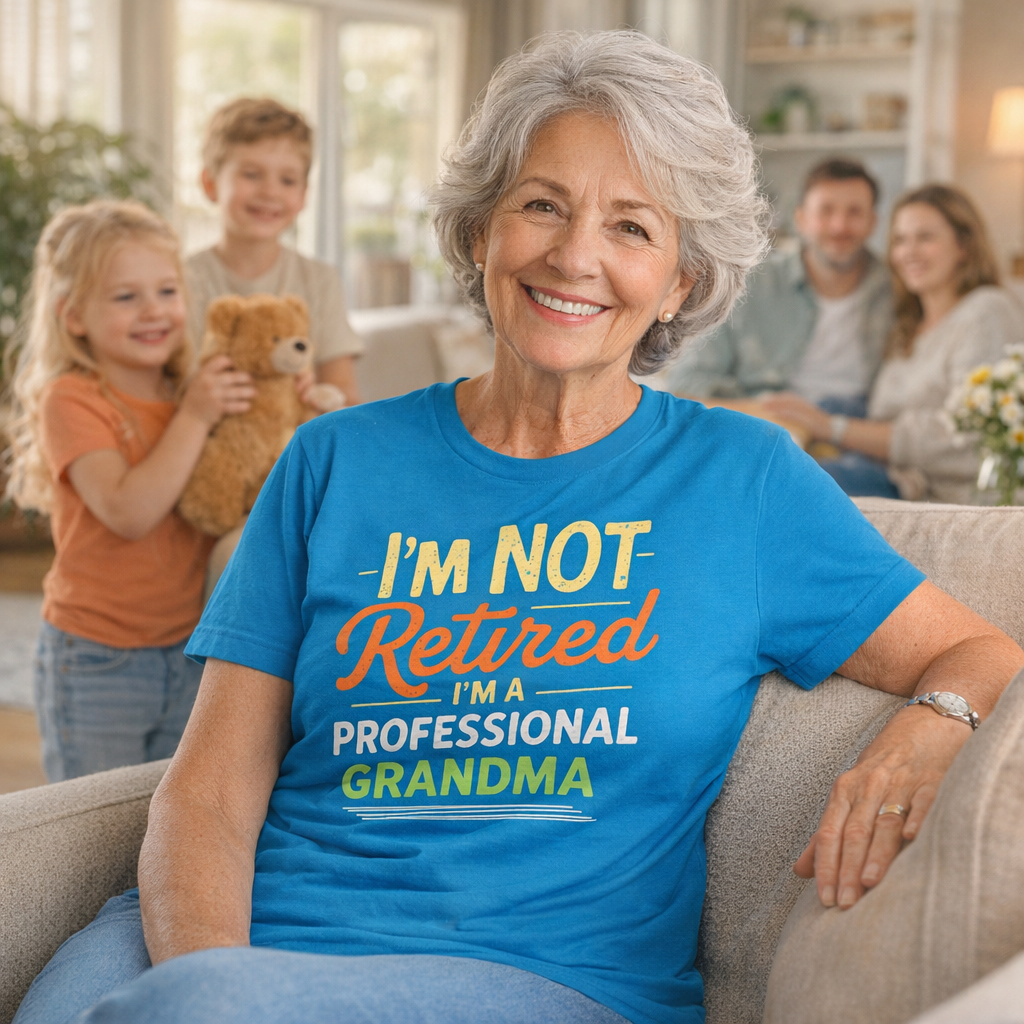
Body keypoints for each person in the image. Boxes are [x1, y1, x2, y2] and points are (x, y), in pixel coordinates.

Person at [14, 33, 1024, 1024]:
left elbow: (975, 646)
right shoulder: (334, 461)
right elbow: (211, 792)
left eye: (632, 227)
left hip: (533, 978)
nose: (574, 254)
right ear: (479, 231)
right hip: (213, 947)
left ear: (680, 279)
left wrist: (932, 726)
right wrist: (207, 976)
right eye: (541, 204)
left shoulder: (741, 478)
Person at [3, 200, 255, 781]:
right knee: (89, 831)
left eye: (167, 291)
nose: (153, 311)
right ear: (73, 317)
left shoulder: (189, 389)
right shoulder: (71, 399)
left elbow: (233, 491)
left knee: (159, 815)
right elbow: (127, 511)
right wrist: (194, 417)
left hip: (191, 649)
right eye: (125, 297)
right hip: (96, 661)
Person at [762, 184, 1024, 501]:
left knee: (782, 485)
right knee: (763, 465)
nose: (908, 252)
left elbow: (967, 438)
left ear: (963, 245)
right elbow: (881, 413)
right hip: (883, 470)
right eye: (900, 240)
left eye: (925, 238)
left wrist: (833, 427)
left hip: (929, 490)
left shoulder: (986, 311)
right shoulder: (907, 325)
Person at [666, 157, 892, 417]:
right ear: (801, 219)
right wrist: (765, 413)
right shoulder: (748, 284)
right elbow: (685, 382)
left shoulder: (896, 289)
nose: (839, 226)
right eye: (826, 211)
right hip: (770, 421)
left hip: (857, 427)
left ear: (874, 222)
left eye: (854, 212)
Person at [185, 97, 364, 406]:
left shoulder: (320, 281)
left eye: (287, 180)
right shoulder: (180, 280)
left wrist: (320, 397)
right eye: (251, 174)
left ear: (304, 194)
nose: (270, 192)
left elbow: (345, 396)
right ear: (210, 183)